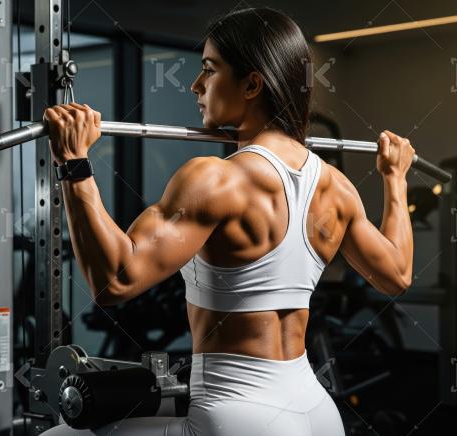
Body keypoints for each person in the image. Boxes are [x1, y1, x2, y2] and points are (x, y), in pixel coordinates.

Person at [41, 7, 414, 436]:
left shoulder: (215, 180)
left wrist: (74, 163)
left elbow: (115, 281)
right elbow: (398, 275)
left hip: (238, 417)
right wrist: (395, 178)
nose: (195, 85)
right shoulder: (337, 187)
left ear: (252, 83)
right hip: (318, 413)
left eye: (209, 71)